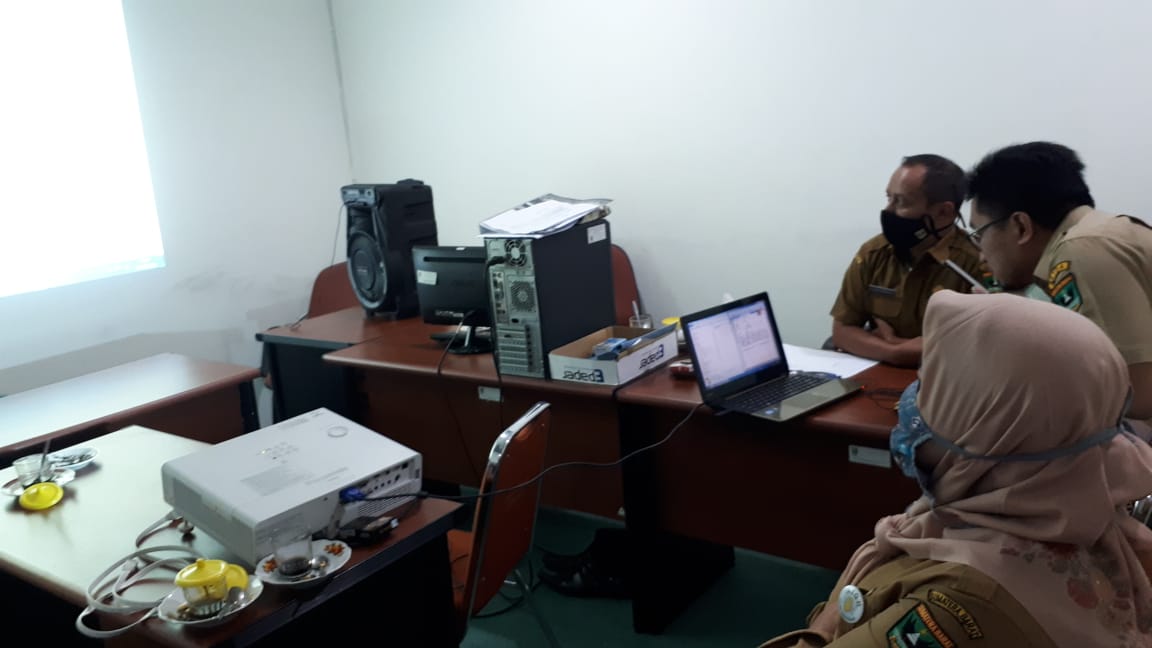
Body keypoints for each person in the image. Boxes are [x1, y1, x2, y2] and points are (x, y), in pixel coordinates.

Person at [759, 291, 1152, 648]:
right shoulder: (1083, 515)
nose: (910, 403)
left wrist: (826, 623)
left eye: (931, 385)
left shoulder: (956, 609)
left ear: (994, 430)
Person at [966, 141, 1152, 422]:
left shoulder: (1082, 249)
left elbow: (1137, 398)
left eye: (979, 234)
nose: (981, 254)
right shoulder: (1093, 235)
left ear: (1021, 226)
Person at [830, 155, 988, 367]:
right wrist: (896, 351)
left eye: (901, 202)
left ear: (943, 212)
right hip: (881, 374)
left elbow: (982, 349)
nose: (888, 210)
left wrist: (893, 344)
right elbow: (842, 331)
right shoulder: (874, 252)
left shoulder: (978, 264)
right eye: (889, 198)